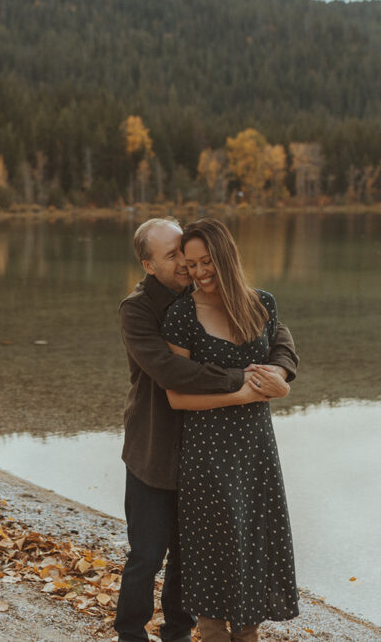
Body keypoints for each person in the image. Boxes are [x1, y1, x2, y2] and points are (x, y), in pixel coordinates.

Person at [115, 217, 298, 642]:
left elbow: (279, 333)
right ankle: (129, 634)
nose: (187, 265)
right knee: (147, 553)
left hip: (210, 448)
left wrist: (281, 373)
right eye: (174, 255)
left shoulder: (217, 292)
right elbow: (170, 372)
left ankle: (177, 633)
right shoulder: (138, 309)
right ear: (148, 265)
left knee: (190, 555)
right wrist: (244, 383)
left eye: (189, 254)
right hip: (156, 447)